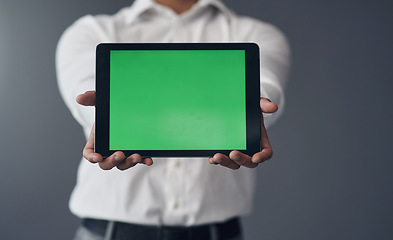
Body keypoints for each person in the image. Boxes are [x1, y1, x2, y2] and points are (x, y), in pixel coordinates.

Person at [56, 0, 290, 239]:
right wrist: (104, 111)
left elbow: (266, 86)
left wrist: (255, 105)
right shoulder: (91, 32)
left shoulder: (258, 34)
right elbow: (87, 96)